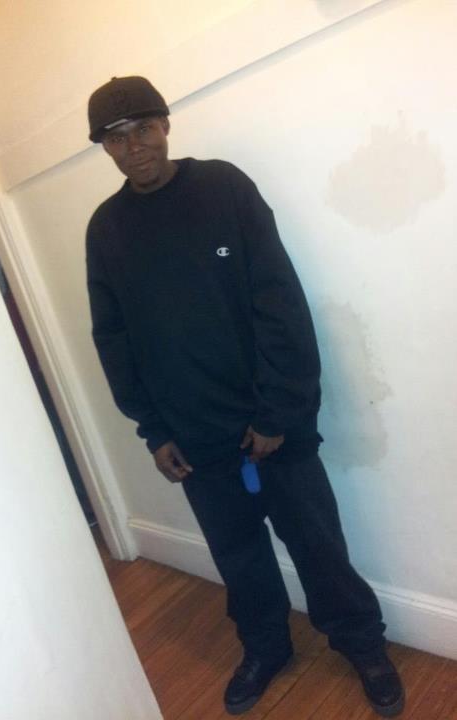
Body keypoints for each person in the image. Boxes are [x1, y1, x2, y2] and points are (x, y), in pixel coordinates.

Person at [85, 76, 405, 717]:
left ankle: (361, 643)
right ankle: (266, 648)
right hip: (194, 439)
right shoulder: (106, 229)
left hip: (273, 426)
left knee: (318, 545)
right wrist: (154, 430)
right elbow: (112, 337)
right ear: (106, 149)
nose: (133, 147)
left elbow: (279, 301)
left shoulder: (223, 188)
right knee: (239, 558)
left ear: (165, 126)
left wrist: (278, 412)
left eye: (143, 129)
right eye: (115, 139)